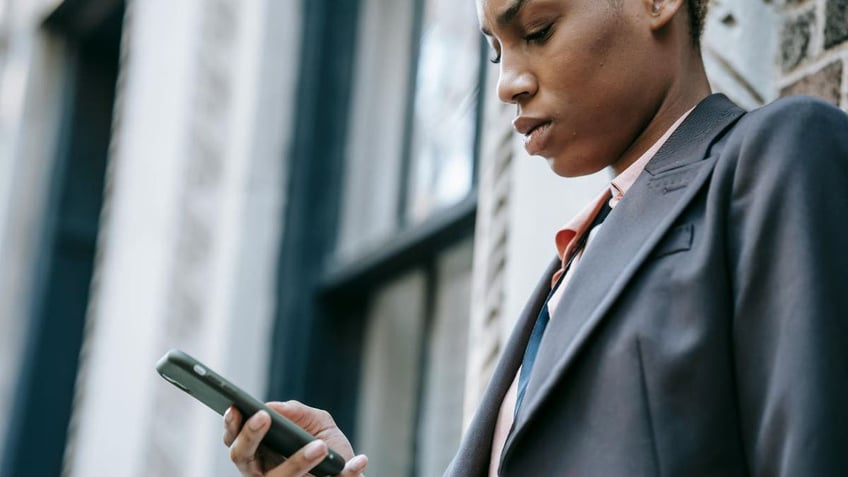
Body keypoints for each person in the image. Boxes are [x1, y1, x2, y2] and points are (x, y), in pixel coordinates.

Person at [224, 0, 848, 475]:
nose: (507, 83)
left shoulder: (775, 156)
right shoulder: (570, 265)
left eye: (538, 31)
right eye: (497, 50)